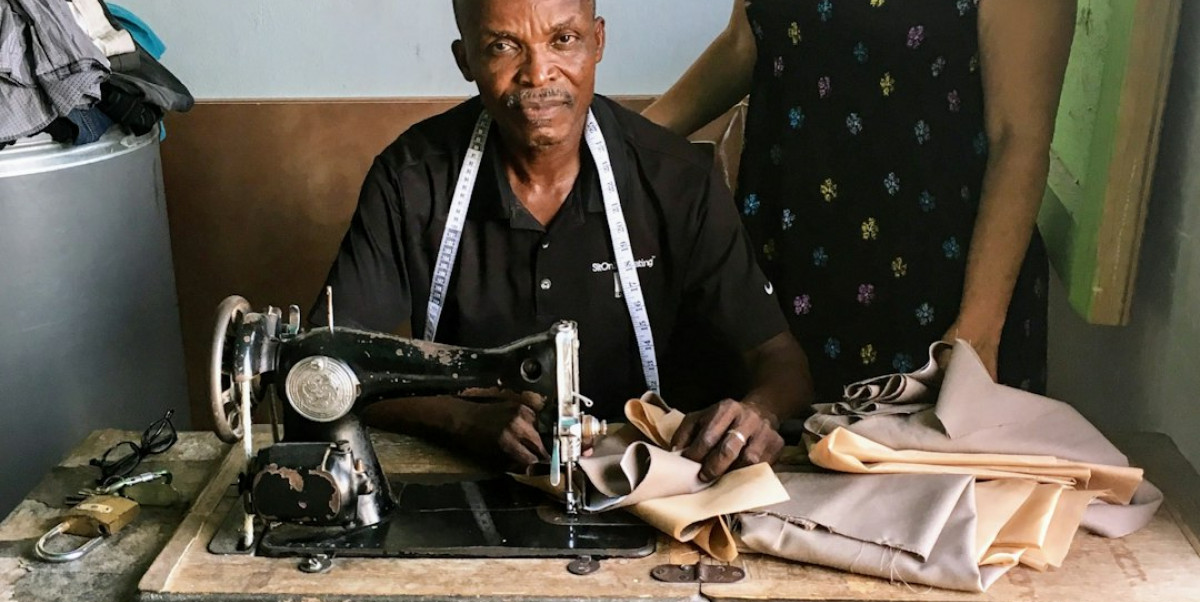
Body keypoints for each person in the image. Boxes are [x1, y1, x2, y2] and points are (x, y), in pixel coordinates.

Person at [312, 0, 813, 482]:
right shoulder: (411, 181)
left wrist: (757, 413)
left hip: (650, 484)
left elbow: (781, 362)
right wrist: (457, 419)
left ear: (598, 41)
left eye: (564, 39)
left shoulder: (678, 181)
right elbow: (327, 363)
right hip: (470, 474)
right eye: (503, 46)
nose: (538, 74)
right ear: (465, 60)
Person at [643, 0, 1075, 402]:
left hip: (930, 292)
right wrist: (623, 140)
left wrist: (976, 333)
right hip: (784, 261)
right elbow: (745, 40)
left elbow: (1018, 140)